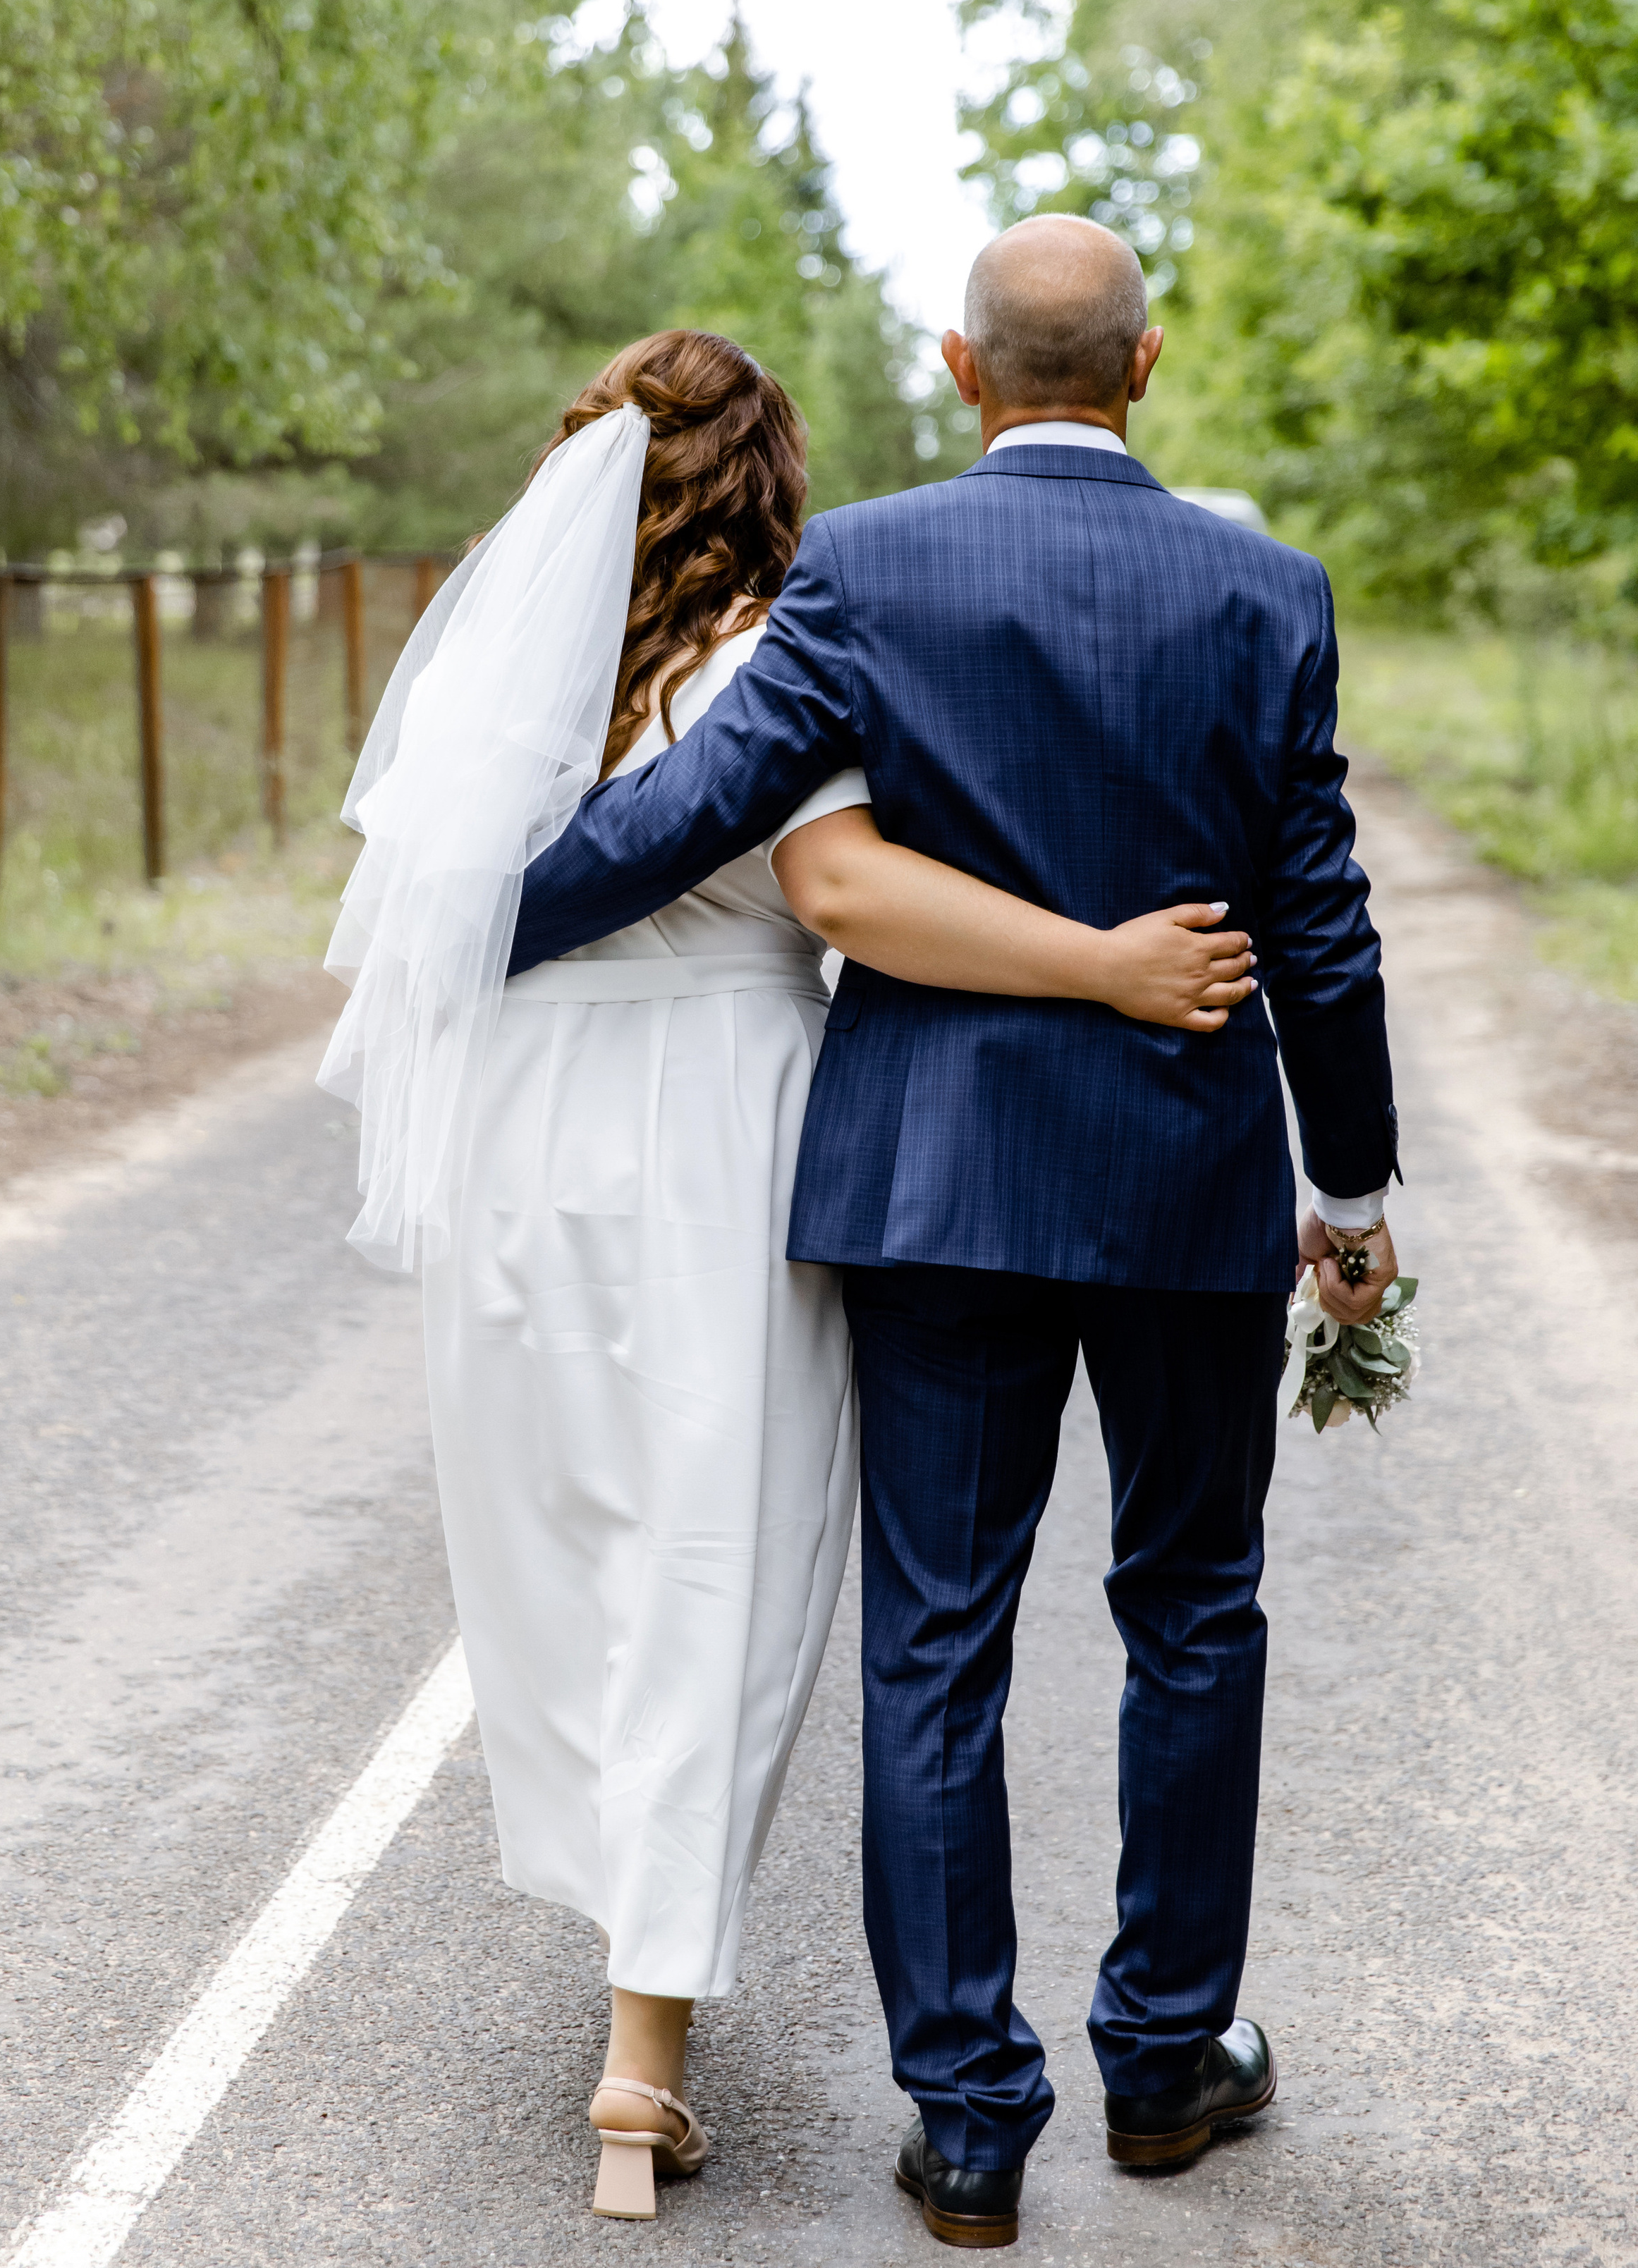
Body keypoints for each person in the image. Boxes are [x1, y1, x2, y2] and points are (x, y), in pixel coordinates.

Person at [506, 226, 1400, 2251]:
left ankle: (972, 2121)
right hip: (1182, 1183)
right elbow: (1322, 922)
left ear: (961, 365)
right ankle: (1163, 2064)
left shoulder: (867, 568)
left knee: (936, 1641)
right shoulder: (1268, 593)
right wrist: (1347, 1195)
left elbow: (699, 811)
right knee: (1195, 1610)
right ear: (1147, 365)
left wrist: (477, 913)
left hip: (937, 1192)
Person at [322, 326, 1266, 2226]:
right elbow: (838, 892)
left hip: (521, 1137)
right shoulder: (783, 648)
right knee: (713, 1559)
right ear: (769, 482)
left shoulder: (511, 675)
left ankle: (640, 1978)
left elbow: (443, 915)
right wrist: (1107, 964)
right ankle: (643, 2046)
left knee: (567, 1548)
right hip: (712, 1125)